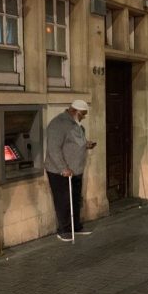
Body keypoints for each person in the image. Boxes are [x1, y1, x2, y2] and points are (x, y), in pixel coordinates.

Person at [45, 100, 97, 241]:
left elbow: (74, 142)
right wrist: (63, 168)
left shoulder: (76, 124)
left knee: (75, 199)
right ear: (74, 111)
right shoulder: (58, 124)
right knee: (63, 201)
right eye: (83, 114)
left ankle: (75, 226)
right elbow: (53, 149)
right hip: (60, 172)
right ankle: (64, 230)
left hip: (76, 170)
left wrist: (86, 144)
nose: (84, 117)